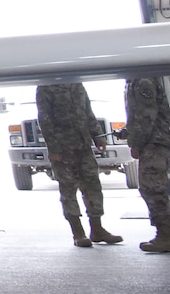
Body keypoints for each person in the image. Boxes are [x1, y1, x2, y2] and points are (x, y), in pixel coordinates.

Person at [36, 82, 123, 246]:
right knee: (68, 188)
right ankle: (78, 233)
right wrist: (54, 147)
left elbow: (88, 112)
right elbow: (45, 119)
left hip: (83, 146)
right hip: (63, 148)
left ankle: (97, 229)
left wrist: (98, 135)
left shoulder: (76, 84)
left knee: (93, 186)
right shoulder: (46, 87)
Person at [124, 75, 170, 253]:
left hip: (153, 143)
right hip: (152, 141)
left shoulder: (143, 80)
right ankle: (164, 235)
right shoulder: (135, 81)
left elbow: (147, 117)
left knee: (153, 188)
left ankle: (165, 237)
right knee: (150, 188)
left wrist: (137, 143)